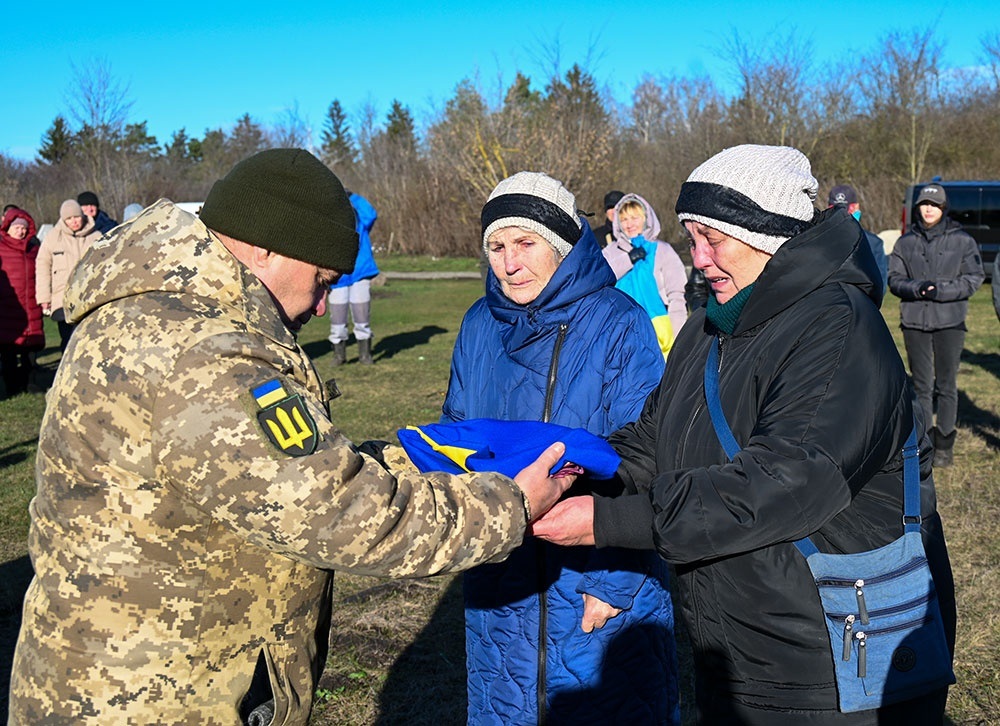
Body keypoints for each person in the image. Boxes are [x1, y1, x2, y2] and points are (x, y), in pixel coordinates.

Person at [10, 149, 576, 724]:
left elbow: (272, 468)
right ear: (266, 247)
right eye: (321, 280)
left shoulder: (172, 313)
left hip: (127, 671)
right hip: (152, 695)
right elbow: (343, 516)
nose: (322, 302)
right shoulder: (202, 350)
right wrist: (514, 503)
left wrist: (409, 458)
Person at [533, 144, 956, 724]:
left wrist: (608, 522)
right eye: (691, 239)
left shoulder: (838, 326)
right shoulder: (711, 327)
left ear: (768, 236)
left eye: (714, 238)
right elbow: (657, 438)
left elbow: (788, 481)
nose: (699, 258)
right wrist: (571, 471)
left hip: (831, 665)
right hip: (734, 652)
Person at [443, 172, 679, 726]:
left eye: (526, 243)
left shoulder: (617, 322)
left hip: (593, 573)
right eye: (497, 247)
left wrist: (614, 579)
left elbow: (648, 458)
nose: (509, 263)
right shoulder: (479, 324)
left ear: (563, 247)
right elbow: (455, 434)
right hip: (499, 567)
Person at [888, 183, 985, 467]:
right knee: (920, 385)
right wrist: (917, 288)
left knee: (946, 385)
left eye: (935, 205)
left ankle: (945, 444)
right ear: (918, 207)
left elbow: (974, 278)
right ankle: (923, 441)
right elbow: (894, 279)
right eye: (924, 204)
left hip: (950, 322)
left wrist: (942, 290)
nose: (929, 209)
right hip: (915, 322)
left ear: (944, 209)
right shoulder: (905, 243)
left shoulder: (963, 241)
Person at [602, 193, 687, 355]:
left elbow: (677, 294)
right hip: (619, 335)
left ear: (646, 218)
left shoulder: (663, 250)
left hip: (661, 335)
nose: (629, 224)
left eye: (635, 218)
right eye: (624, 219)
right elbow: (601, 278)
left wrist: (680, 340)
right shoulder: (610, 252)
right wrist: (629, 259)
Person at [35, 198, 103, 350]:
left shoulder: (96, 236)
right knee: (68, 340)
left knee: (89, 339)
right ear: (63, 220)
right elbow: (43, 267)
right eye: (69, 218)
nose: (74, 221)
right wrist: (44, 298)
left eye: (77, 217)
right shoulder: (53, 237)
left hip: (90, 297)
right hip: (62, 298)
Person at [328, 191, 379, 365]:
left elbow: (370, 213)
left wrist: (352, 196)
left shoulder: (361, 224)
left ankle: (365, 354)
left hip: (360, 274)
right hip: (338, 277)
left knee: (362, 316)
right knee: (337, 320)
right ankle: (339, 355)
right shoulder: (331, 226)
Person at [0, 208, 44, 397]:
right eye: (17, 227)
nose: (21, 231)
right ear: (8, 227)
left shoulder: (34, 249)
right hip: (7, 306)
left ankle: (29, 384)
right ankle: (12, 386)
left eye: (24, 228)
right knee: (9, 350)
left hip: (31, 305)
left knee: (30, 350)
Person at [828, 184, 888, 289]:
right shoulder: (822, 242)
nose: (842, 215)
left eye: (846, 210)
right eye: (836, 210)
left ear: (856, 207)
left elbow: (880, 285)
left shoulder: (874, 244)